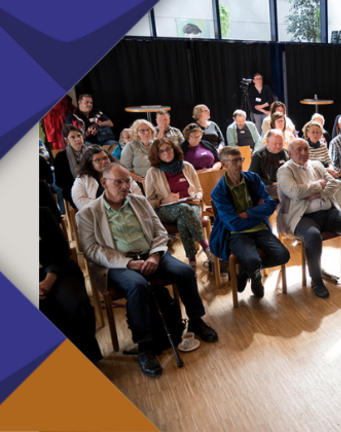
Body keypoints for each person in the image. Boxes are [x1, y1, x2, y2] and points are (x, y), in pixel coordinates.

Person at [77, 162, 218, 377]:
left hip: (151, 254)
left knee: (185, 272)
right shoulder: (88, 213)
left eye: (128, 181)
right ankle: (145, 346)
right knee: (137, 285)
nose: (125, 186)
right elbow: (91, 250)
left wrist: (154, 254)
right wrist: (128, 263)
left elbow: (160, 232)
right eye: (119, 182)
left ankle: (196, 321)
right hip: (118, 262)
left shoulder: (139, 201)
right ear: (104, 182)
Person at [276, 139, 341, 298]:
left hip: (327, 212)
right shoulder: (285, 170)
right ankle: (316, 278)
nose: (304, 153)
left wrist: (319, 195)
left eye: (306, 149)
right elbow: (295, 192)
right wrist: (319, 184)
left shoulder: (317, 165)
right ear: (289, 153)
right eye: (299, 150)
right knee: (312, 236)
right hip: (302, 216)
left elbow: (335, 183)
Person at [210, 147, 290, 297]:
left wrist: (247, 214)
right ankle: (256, 279)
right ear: (224, 164)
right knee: (253, 261)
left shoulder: (252, 178)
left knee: (283, 256)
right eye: (234, 161)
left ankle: (245, 272)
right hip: (236, 234)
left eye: (240, 159)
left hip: (260, 229)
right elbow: (234, 224)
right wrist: (259, 214)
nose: (239, 164)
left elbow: (271, 205)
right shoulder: (219, 191)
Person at [39, 206, 102, 364]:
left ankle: (88, 358)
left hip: (56, 269)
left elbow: (60, 248)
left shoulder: (42, 213)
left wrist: (50, 276)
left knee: (77, 304)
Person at [145, 138, 215, 267]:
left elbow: (199, 189)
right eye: (161, 151)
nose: (166, 153)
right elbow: (148, 201)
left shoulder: (187, 166)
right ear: (156, 154)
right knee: (184, 209)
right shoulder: (152, 172)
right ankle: (207, 248)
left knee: (184, 215)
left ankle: (192, 260)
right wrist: (165, 200)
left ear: (174, 149)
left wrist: (198, 198)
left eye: (168, 149)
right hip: (165, 209)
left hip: (191, 205)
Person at [72, 145, 142, 210]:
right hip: (99, 214)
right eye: (98, 160)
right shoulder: (82, 179)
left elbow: (137, 193)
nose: (104, 162)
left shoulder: (121, 172)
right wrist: (106, 204)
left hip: (128, 210)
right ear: (90, 163)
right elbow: (79, 200)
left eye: (105, 158)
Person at [250, 129, 289, 200]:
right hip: (268, 186)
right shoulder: (258, 155)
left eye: (280, 143)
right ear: (267, 141)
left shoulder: (286, 153)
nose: (278, 146)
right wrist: (272, 183)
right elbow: (253, 176)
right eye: (275, 144)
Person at [55, 125, 86, 206]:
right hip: (72, 190)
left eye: (79, 135)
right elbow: (59, 182)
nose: (77, 139)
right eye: (73, 137)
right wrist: (79, 187)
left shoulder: (91, 153)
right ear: (66, 140)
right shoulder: (61, 157)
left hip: (92, 188)